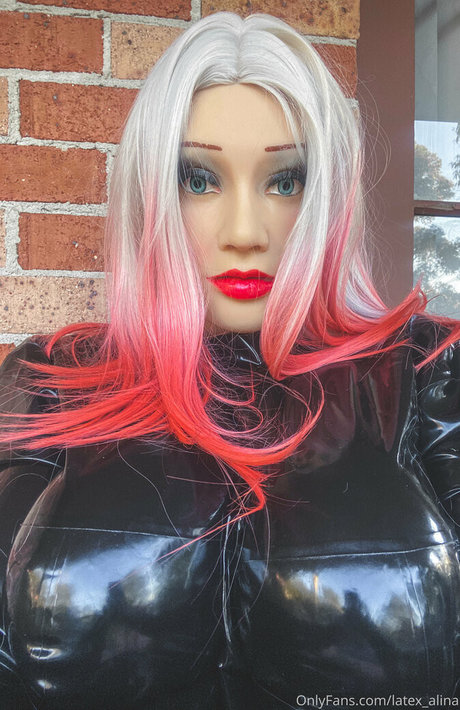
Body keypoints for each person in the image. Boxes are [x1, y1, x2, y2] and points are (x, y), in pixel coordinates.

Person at [1, 11, 460, 710]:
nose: (245, 233)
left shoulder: (428, 376)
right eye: (199, 178)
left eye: (286, 181)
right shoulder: (51, 380)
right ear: (151, 193)